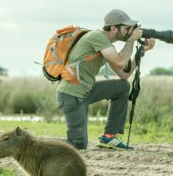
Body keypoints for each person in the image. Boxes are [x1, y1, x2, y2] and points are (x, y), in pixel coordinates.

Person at [56, 9, 155, 150]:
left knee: (122, 87)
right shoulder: (97, 37)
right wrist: (132, 40)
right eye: (127, 28)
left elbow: (123, 75)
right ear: (114, 28)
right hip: (71, 95)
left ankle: (109, 137)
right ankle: (42, 146)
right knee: (78, 144)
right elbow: (121, 62)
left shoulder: (106, 45)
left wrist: (140, 52)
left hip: (86, 91)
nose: (130, 32)